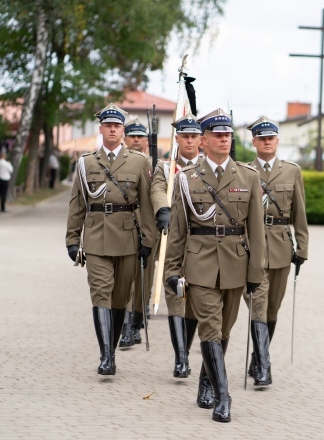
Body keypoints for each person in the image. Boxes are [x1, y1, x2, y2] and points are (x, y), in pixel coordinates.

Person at [165, 108, 265, 423]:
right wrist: (171, 271)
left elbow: (257, 232)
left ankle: (206, 381)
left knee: (225, 329)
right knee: (210, 325)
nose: (224, 139)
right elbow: (179, 230)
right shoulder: (188, 178)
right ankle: (224, 397)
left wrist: (255, 273)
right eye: (218, 135)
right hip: (201, 262)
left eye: (228, 134)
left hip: (236, 263)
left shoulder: (249, 177)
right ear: (204, 140)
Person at [65, 103, 156, 376]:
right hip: (95, 236)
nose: (113, 129)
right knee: (101, 293)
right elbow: (77, 204)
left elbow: (147, 206)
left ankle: (111, 348)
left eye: (117, 125)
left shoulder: (140, 163)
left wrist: (148, 240)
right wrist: (72, 238)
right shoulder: (86, 163)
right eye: (108, 125)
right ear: (101, 129)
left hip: (128, 237)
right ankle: (106, 355)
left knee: (119, 299)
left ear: (123, 130)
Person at [242, 116, 309, 387]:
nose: (267, 142)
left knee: (271, 310)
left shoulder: (291, 171)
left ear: (277, 140)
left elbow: (300, 214)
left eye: (271, 138)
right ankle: (264, 367)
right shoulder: (244, 171)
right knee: (257, 304)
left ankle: (257, 358)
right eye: (262, 138)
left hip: (281, 247)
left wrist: (302, 246)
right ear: (254, 141)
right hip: (253, 250)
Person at [152, 113, 203, 378]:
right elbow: (158, 190)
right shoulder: (165, 167)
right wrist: (163, 209)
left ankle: (186, 349)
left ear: (201, 139)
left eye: (194, 136)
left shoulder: (208, 168)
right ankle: (181, 358)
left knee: (193, 300)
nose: (190, 141)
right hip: (172, 239)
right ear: (177, 138)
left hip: (200, 244)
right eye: (185, 136)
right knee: (175, 296)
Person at [118, 118, 154, 348]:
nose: (137, 140)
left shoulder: (155, 165)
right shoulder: (118, 163)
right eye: (132, 136)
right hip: (126, 225)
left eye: (141, 136)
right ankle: (127, 327)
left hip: (149, 226)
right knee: (125, 280)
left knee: (144, 279)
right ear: (125, 138)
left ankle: (138, 319)